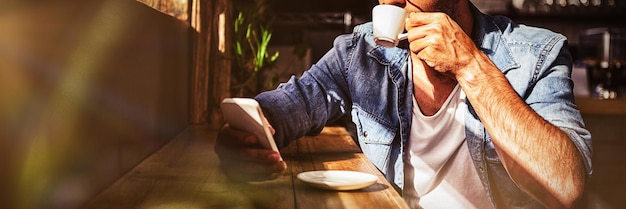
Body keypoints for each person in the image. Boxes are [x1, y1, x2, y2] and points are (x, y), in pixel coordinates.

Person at [215, 0, 593, 208]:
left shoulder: (537, 53)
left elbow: (565, 186)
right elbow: (289, 106)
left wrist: (470, 65)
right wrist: (249, 133)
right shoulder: (358, 53)